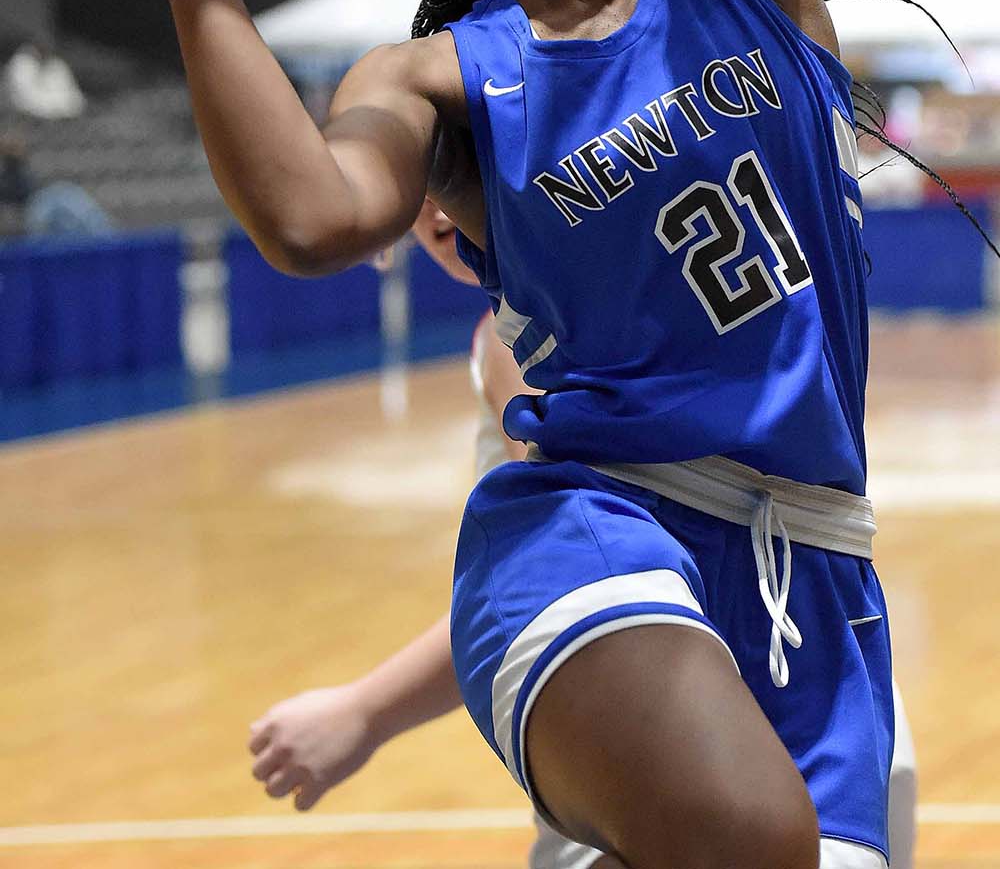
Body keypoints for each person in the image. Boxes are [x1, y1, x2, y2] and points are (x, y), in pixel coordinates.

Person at [13, 0, 894, 869]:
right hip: (592, 530)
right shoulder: (436, 77)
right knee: (746, 839)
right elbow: (309, 218)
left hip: (819, 564)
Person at [249, 202, 918, 869]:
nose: (437, 207)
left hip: (698, 720)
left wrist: (363, 712)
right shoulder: (655, 305)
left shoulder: (526, 341)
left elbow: (562, 581)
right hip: (838, 706)